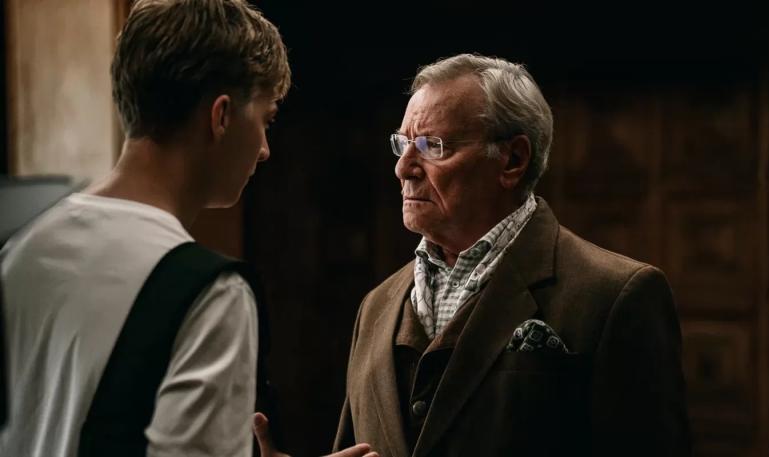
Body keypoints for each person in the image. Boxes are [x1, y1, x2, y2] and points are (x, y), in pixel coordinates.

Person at [0, 1, 375, 457]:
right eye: (266, 119)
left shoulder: (20, 251)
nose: (264, 149)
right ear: (221, 116)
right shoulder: (211, 296)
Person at [333, 54, 691, 456]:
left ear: (513, 160)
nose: (403, 169)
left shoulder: (615, 296)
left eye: (431, 146)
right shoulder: (376, 306)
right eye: (402, 145)